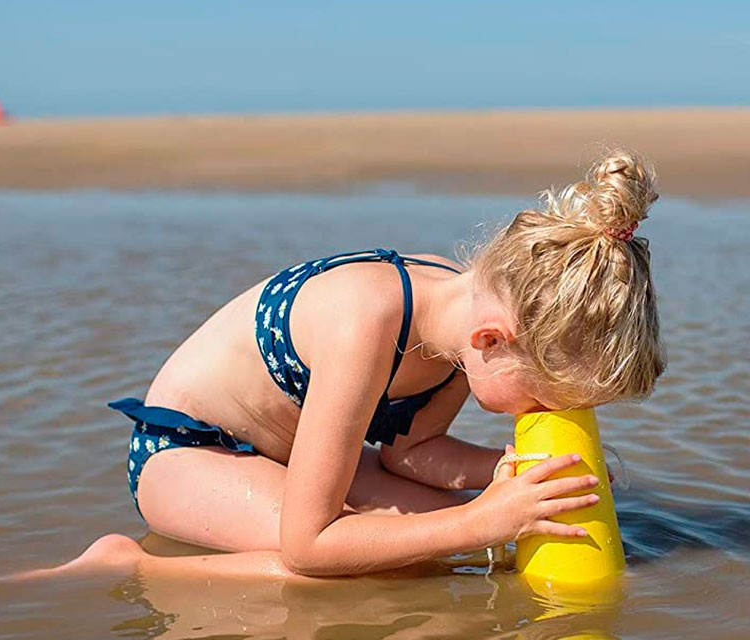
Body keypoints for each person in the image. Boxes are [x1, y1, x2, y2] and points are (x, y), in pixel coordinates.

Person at [58, 147, 665, 580]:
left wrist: (510, 476)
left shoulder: (466, 320)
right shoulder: (369, 321)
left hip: (300, 459)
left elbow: (410, 451)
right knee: (366, 563)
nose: (547, 413)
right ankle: (134, 565)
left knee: (456, 533)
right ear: (492, 341)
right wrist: (485, 521)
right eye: (546, 399)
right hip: (188, 455)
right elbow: (310, 544)